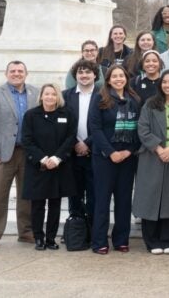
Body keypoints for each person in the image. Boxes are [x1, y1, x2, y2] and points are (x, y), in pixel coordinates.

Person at [0, 60, 39, 250]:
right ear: (6, 74)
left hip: (27, 153)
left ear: (26, 74)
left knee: (26, 195)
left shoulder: (36, 93)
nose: (16, 74)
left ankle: (26, 231)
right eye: (12, 71)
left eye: (20, 71)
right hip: (1, 154)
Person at [133, 70, 169, 254]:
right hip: (152, 157)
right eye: (164, 82)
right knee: (150, 198)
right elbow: (142, 129)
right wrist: (159, 149)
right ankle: (152, 241)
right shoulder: (150, 104)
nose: (168, 85)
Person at [90, 65, 142, 254]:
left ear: (126, 78)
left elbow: (139, 128)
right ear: (109, 79)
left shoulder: (135, 99)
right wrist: (111, 152)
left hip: (128, 158)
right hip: (104, 158)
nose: (119, 79)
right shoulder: (100, 98)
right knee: (102, 201)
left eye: (122, 76)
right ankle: (99, 241)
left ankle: (121, 240)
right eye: (115, 76)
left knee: (123, 201)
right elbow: (94, 128)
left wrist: (129, 151)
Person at [21, 84, 77, 250]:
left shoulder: (66, 114)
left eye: (53, 94)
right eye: (47, 94)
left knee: (55, 204)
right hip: (38, 167)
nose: (50, 97)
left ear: (58, 97)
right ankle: (38, 237)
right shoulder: (31, 115)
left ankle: (51, 238)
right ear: (41, 96)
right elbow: (27, 140)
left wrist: (57, 158)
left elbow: (70, 138)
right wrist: (43, 159)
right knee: (37, 205)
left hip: (59, 166)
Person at [63, 59, 102, 237]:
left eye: (88, 72)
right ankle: (76, 232)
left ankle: (93, 231)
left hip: (95, 153)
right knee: (74, 195)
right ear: (75, 76)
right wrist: (75, 144)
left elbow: (105, 126)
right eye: (80, 72)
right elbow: (61, 127)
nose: (84, 75)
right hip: (72, 153)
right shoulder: (65, 96)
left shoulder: (103, 95)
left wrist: (87, 143)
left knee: (95, 195)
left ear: (95, 74)